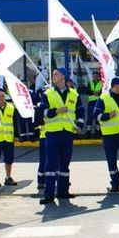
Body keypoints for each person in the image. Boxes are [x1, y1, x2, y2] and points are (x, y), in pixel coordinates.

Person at [38, 68, 85, 204]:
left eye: (56, 74)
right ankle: (49, 194)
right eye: (53, 74)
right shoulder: (48, 93)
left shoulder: (74, 94)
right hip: (52, 133)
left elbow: (81, 112)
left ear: (63, 76)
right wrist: (56, 111)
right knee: (51, 164)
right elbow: (42, 112)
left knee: (65, 163)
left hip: (68, 132)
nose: (53, 76)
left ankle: (63, 191)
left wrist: (80, 126)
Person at [85, 72, 102, 138]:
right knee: (90, 117)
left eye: (96, 76)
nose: (95, 77)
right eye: (94, 76)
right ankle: (88, 132)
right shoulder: (90, 83)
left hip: (99, 102)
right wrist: (94, 92)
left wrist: (95, 92)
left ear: (98, 77)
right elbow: (87, 91)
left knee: (98, 117)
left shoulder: (101, 83)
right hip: (91, 102)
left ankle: (97, 132)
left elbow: (102, 91)